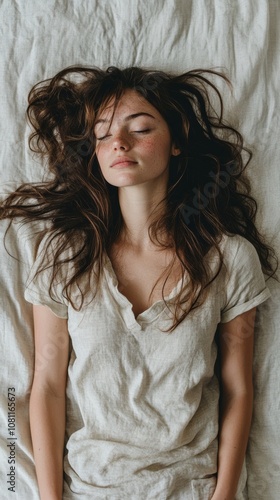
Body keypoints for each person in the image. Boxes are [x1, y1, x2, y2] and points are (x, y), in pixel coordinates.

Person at [0, 65, 277, 500]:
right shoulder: (64, 255)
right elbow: (48, 386)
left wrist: (223, 495)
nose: (120, 144)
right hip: (91, 489)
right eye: (104, 134)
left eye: (141, 127)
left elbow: (239, 389)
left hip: (192, 489)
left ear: (177, 141)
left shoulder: (230, 258)